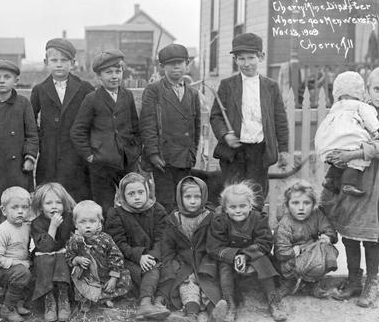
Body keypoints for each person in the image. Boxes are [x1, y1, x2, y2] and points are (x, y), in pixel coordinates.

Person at [321, 66, 379, 308]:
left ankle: (372, 282)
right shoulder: (359, 109)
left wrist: (352, 154)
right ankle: (353, 280)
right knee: (350, 233)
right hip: (353, 179)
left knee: (370, 236)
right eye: (376, 89)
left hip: (378, 181)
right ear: (368, 90)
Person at [210, 33, 289, 209]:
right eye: (241, 59)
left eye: (251, 58)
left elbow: (280, 120)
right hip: (234, 153)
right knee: (233, 195)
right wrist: (225, 135)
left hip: (259, 152)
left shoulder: (271, 87)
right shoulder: (227, 85)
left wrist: (283, 150)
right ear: (235, 60)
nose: (246, 63)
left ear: (261, 57)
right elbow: (216, 116)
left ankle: (255, 232)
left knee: (257, 195)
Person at [70, 50, 141, 215]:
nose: (114, 76)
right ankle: (106, 237)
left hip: (127, 160)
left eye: (118, 71)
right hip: (102, 163)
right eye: (109, 72)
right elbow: (78, 131)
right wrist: (90, 156)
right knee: (104, 206)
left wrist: (136, 150)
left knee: (132, 201)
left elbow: (135, 126)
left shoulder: (127, 95)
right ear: (99, 77)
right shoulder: (91, 99)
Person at [207, 181, 288, 322]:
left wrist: (245, 255)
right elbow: (214, 247)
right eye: (233, 207)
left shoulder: (258, 218)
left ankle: (273, 299)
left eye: (243, 206)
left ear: (250, 206)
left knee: (263, 261)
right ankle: (230, 303)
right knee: (224, 269)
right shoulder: (220, 221)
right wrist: (235, 256)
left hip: (253, 254)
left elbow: (265, 242)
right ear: (225, 208)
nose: (238, 210)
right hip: (231, 257)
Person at [160, 176, 228, 322]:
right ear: (179, 197)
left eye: (197, 197)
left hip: (206, 260)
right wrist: (172, 264)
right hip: (185, 263)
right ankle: (192, 319)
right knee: (188, 286)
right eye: (187, 197)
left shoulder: (210, 217)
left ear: (204, 196)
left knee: (209, 287)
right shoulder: (174, 219)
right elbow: (168, 245)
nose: (192, 201)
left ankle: (214, 318)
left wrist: (210, 263)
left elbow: (216, 242)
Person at [0, 59, 39, 232]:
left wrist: (30, 157)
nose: (2, 80)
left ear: (16, 81)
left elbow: (32, 135)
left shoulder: (23, 103)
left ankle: (21, 254)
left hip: (17, 170)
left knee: (20, 214)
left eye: (7, 77)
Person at [30, 38, 94, 201]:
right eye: (54, 60)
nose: (59, 64)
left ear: (72, 62)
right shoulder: (39, 90)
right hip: (49, 155)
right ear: (46, 62)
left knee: (78, 197)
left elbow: (94, 118)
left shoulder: (85, 88)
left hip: (77, 155)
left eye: (64, 60)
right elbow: (30, 120)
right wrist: (42, 138)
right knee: (50, 198)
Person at [140, 44, 201, 212]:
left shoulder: (192, 93)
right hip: (163, 158)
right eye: (171, 63)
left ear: (187, 64)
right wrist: (153, 153)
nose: (176, 67)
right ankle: (165, 236)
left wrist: (193, 151)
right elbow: (148, 123)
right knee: (166, 202)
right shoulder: (154, 90)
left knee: (185, 200)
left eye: (180, 62)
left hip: (184, 158)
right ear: (162, 67)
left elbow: (196, 127)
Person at [104, 172, 169, 319]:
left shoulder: (157, 210)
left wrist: (151, 256)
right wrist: (139, 256)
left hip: (155, 256)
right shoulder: (116, 213)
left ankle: (159, 302)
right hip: (129, 258)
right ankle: (145, 304)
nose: (137, 197)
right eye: (131, 194)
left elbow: (162, 238)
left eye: (141, 192)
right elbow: (118, 243)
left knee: (170, 268)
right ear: (123, 196)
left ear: (148, 192)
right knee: (150, 270)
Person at [315, 71, 379, 196]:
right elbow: (369, 118)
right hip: (350, 138)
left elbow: (327, 123)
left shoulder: (336, 107)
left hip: (332, 140)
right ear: (360, 92)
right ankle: (349, 184)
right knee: (356, 160)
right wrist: (375, 130)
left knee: (338, 161)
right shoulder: (361, 105)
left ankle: (330, 179)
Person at [274, 180, 338, 298]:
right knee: (314, 257)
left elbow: (329, 230)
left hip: (309, 254)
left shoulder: (316, 214)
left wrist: (327, 237)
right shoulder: (285, 223)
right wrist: (294, 251)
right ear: (287, 205)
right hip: (291, 261)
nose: (301, 208)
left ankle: (311, 283)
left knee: (328, 250)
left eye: (306, 203)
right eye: (295, 203)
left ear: (313, 204)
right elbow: (280, 252)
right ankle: (290, 282)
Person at [65, 200, 131, 312]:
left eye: (92, 221)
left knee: (125, 278)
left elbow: (116, 257)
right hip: (87, 277)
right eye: (82, 222)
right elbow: (68, 256)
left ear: (99, 223)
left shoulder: (105, 239)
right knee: (78, 281)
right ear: (75, 224)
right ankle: (86, 300)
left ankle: (106, 297)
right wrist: (77, 260)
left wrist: (113, 277)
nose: (88, 226)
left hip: (105, 274)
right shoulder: (74, 241)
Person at [30, 183, 75, 322]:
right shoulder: (36, 223)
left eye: (58, 202)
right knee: (44, 259)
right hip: (44, 257)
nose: (54, 206)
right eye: (48, 203)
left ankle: (63, 297)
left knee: (61, 256)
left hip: (63, 258)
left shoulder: (69, 218)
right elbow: (45, 247)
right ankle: (48, 299)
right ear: (40, 206)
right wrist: (53, 227)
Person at [0, 186, 33, 322]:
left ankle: (20, 301)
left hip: (19, 267)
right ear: (4, 210)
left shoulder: (26, 227)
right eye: (15, 207)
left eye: (24, 207)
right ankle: (8, 307)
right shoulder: (2, 231)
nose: (20, 211)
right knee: (22, 273)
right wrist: (20, 263)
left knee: (33, 270)